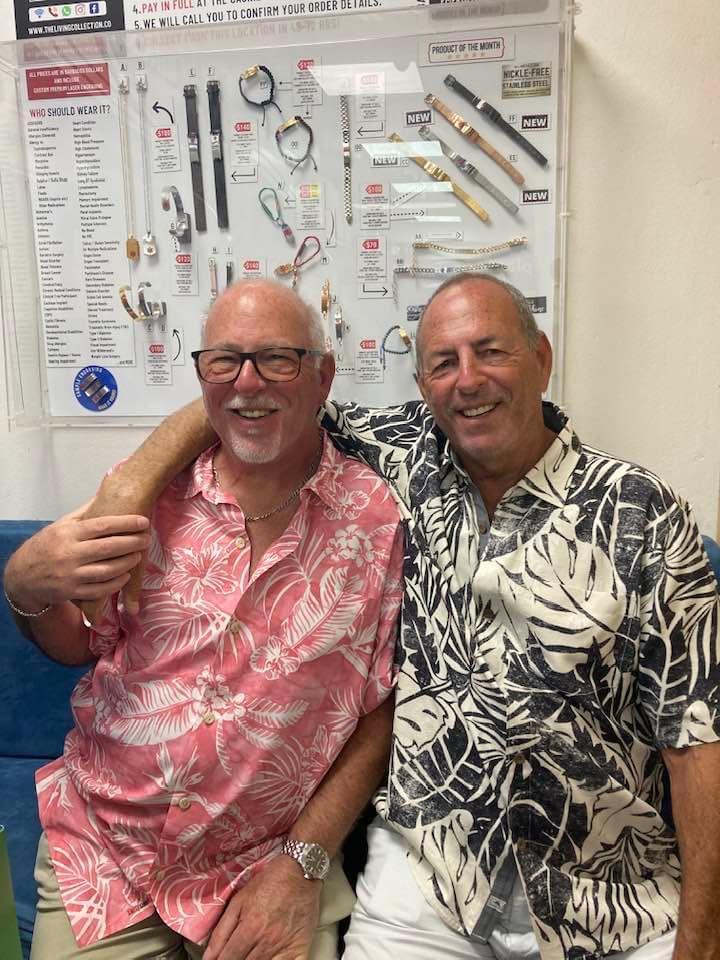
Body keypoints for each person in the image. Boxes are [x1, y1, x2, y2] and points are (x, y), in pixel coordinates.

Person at [69, 274, 720, 960]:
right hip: (428, 881)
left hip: (608, 892)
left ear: (541, 359)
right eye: (443, 363)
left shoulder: (641, 512)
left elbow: (699, 741)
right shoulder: (404, 457)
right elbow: (252, 391)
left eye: (490, 352)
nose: (467, 380)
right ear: (422, 385)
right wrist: (129, 484)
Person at [3, 280, 404, 960]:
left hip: (265, 866)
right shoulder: (146, 494)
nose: (247, 383)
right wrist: (25, 590)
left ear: (323, 376)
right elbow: (76, 643)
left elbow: (381, 707)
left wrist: (302, 861)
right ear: (201, 376)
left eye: (278, 358)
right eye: (223, 361)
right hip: (107, 854)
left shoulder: (378, 520)